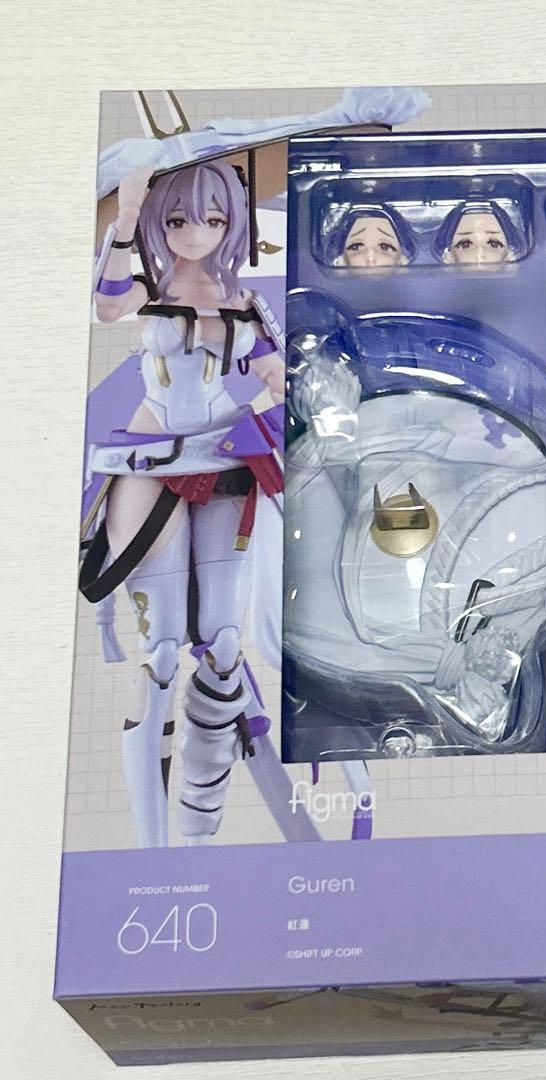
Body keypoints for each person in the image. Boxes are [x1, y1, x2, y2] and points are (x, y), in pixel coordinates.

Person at [83, 161, 286, 846]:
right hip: (150, 459)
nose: (195, 233)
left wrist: (285, 394)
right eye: (176, 219)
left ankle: (199, 828)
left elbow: (277, 375)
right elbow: (107, 306)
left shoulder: (245, 300)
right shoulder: (149, 284)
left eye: (212, 218)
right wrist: (124, 218)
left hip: (226, 457)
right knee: (163, 651)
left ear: (232, 223)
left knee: (224, 643)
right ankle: (152, 849)